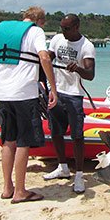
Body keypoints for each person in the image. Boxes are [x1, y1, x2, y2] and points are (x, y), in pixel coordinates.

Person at [0, 6, 58, 204]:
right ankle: (20, 191)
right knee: (23, 141)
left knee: (8, 139)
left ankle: (7, 188)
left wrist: (4, 54)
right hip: (24, 94)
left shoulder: (2, 29)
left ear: (24, 17)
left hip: (3, 93)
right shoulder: (36, 31)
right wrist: (53, 88)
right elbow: (44, 57)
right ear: (41, 21)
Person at [43, 14, 95, 194]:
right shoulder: (57, 39)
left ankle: (79, 175)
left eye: (67, 28)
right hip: (57, 93)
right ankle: (62, 167)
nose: (63, 32)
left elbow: (90, 74)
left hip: (74, 95)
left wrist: (78, 68)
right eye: (62, 28)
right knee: (56, 132)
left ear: (76, 27)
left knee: (77, 136)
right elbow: (47, 59)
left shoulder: (86, 46)